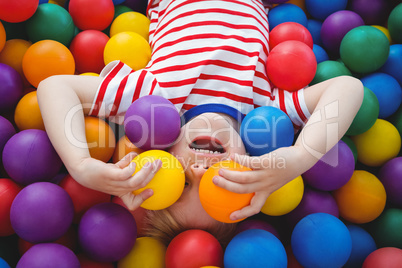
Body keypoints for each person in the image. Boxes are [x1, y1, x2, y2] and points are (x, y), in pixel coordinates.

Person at [37, 0, 363, 245]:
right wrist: (299, 159)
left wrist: (80, 165)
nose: (198, 170)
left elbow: (55, 87)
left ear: (157, 156)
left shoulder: (151, 102)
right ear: (250, 174)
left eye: (182, 184)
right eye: (216, 184)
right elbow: (347, 88)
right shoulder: (267, 111)